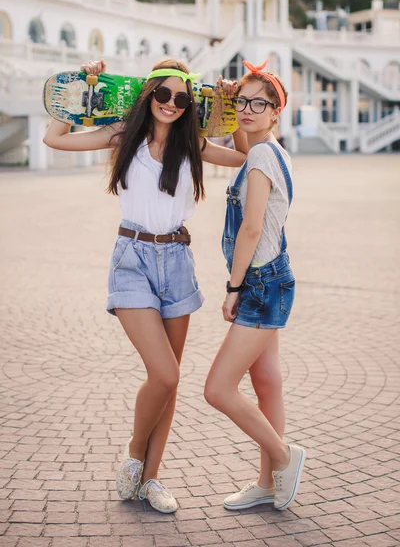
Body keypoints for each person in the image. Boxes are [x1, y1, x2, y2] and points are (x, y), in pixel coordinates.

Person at [43, 58, 248, 514]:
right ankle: (136, 456)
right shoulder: (123, 137)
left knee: (168, 383)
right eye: (162, 95)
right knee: (166, 374)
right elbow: (53, 137)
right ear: (148, 94)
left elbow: (246, 157)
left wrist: (231, 113)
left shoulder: (192, 144)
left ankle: (151, 479)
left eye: (180, 98)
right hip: (132, 259)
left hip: (177, 261)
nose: (171, 105)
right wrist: (81, 85)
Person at [204, 60, 306, 512]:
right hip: (274, 276)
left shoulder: (264, 156)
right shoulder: (272, 151)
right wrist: (227, 105)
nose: (247, 110)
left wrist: (233, 286)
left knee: (218, 389)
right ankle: (267, 484)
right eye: (241, 101)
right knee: (267, 385)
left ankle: (284, 458)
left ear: (275, 110)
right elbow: (244, 145)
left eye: (257, 103)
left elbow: (251, 228)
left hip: (260, 283)